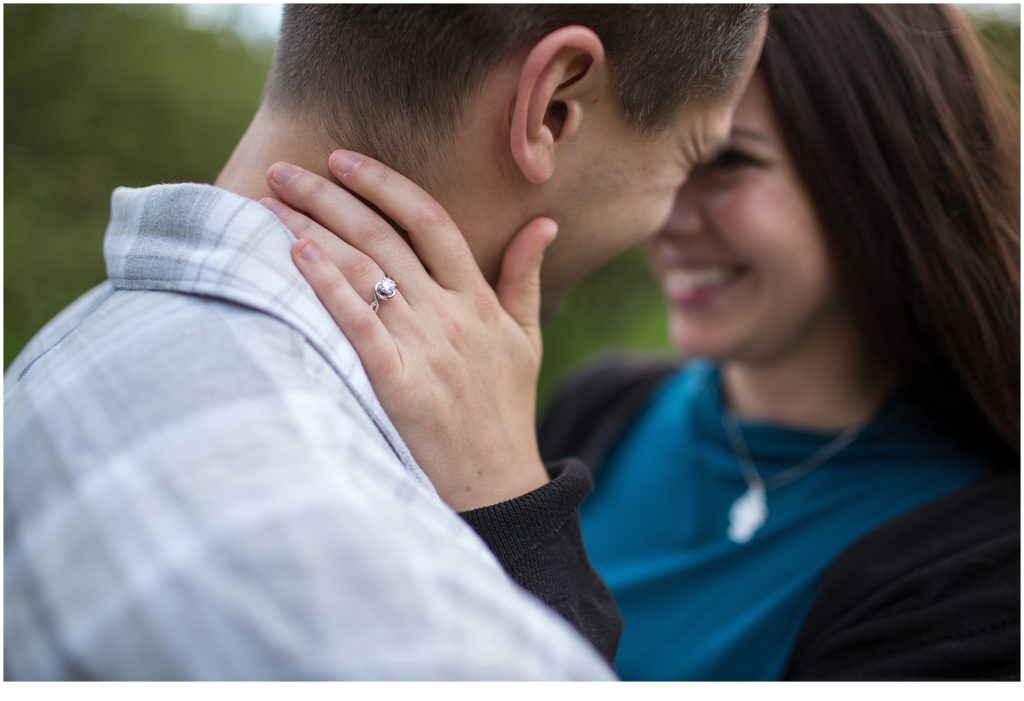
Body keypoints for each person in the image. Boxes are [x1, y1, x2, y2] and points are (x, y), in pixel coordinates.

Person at [3, 5, 768, 680]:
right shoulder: (416, 634)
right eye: (689, 155)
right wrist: (529, 541)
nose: (668, 222)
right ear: (554, 109)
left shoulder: (62, 351)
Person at [271, 5, 1020, 681]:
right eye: (666, 154)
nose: (664, 216)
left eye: (724, 165)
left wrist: (510, 513)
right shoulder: (603, 408)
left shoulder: (986, 571)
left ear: (881, 178)